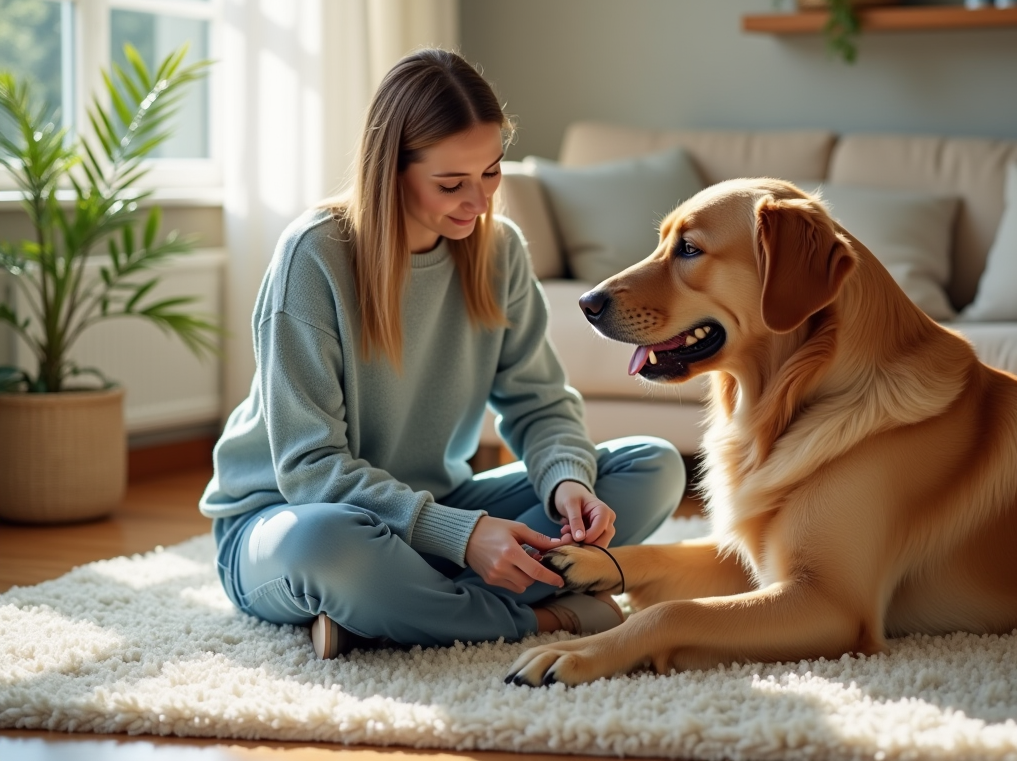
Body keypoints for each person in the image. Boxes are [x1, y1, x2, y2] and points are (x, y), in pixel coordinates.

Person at [198, 48, 685, 659]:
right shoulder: (314, 256)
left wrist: (568, 485)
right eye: (452, 183)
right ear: (391, 170)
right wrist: (463, 536)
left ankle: (382, 613)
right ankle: (537, 618)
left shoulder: (498, 251)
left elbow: (539, 402)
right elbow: (310, 469)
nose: (478, 202)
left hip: (436, 508)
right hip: (290, 520)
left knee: (652, 466)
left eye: (491, 172)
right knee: (331, 548)